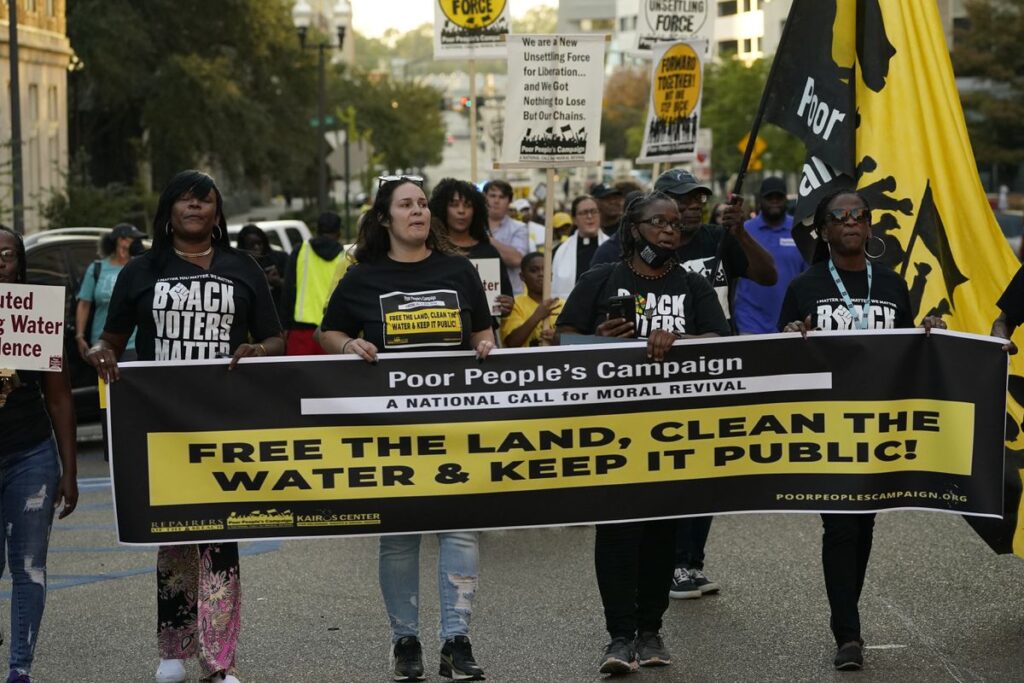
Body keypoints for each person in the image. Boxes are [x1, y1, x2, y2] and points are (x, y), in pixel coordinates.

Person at [86, 170, 284, 683]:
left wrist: (258, 349)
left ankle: (219, 663)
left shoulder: (244, 268)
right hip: (162, 427)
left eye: (206, 201)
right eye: (186, 200)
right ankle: (173, 650)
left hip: (226, 426)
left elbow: (275, 340)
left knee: (221, 537)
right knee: (173, 537)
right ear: (169, 209)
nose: (195, 207)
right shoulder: (142, 270)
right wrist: (99, 353)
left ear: (218, 214)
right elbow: (111, 338)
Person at [319, 177, 494, 682]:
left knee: (460, 528)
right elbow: (327, 332)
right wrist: (347, 346)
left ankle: (456, 641)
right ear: (384, 218)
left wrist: (485, 347)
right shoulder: (362, 277)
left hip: (454, 422)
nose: (418, 211)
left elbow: (482, 332)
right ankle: (406, 642)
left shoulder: (458, 270)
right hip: (389, 426)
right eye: (406, 205)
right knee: (399, 538)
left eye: (422, 204)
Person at [555, 191, 730, 674]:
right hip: (612, 433)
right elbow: (561, 339)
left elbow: (722, 338)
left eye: (676, 224)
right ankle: (618, 637)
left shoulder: (692, 285)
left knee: (659, 532)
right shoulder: (601, 278)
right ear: (635, 229)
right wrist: (598, 342)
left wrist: (682, 340)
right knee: (616, 531)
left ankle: (651, 631)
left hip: (673, 433)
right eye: (659, 223)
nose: (671, 230)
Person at [779, 189, 945, 672]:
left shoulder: (892, 285)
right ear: (825, 231)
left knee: (865, 522)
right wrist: (790, 336)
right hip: (829, 426)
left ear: (870, 228)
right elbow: (778, 354)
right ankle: (847, 633)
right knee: (840, 525)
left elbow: (910, 348)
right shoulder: (805, 286)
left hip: (880, 427)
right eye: (840, 216)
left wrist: (930, 333)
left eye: (859, 216)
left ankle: (846, 612)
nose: (851, 222)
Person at [0, 225, 78, 683]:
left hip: (30, 455)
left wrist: (69, 469)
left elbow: (60, 397)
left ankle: (19, 669)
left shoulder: (37, 313)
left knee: (28, 566)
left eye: (7, 255)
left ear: (19, 262)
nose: (0, 264)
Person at [429, 178, 513, 323]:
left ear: (476, 210)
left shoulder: (489, 252)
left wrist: (506, 305)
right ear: (443, 208)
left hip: (485, 341)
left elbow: (505, 298)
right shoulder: (431, 251)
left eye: (468, 205)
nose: (461, 211)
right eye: (454, 205)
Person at [734, 177, 807, 334]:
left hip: (790, 323)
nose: (774, 202)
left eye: (779, 197)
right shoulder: (743, 231)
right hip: (750, 322)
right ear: (760, 200)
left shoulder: (798, 231)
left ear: (786, 199)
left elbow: (807, 276)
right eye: (769, 197)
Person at [75, 223, 145, 360]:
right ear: (121, 240)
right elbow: (84, 304)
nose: (138, 243)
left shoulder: (139, 268)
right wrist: (79, 336)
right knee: (106, 382)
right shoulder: (97, 268)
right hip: (102, 344)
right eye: (133, 239)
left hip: (133, 345)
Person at [281, 212, 344, 354]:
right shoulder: (344, 256)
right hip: (332, 333)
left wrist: (284, 326)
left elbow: (288, 289)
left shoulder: (301, 250)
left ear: (317, 230)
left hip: (300, 331)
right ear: (339, 232)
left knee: (299, 375)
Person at [550, 195, 608, 298]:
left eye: (594, 211)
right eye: (584, 213)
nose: (590, 216)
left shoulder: (613, 247)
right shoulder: (559, 251)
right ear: (574, 220)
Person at [501, 251, 561, 347]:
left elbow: (576, 341)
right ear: (522, 276)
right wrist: (537, 316)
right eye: (534, 270)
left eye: (545, 270)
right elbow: (512, 343)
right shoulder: (515, 304)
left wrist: (559, 338)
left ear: (551, 275)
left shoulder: (563, 305)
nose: (541, 274)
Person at [236, 223, 289, 322]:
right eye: (251, 245)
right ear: (244, 246)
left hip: (280, 317)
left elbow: (296, 287)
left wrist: (278, 282)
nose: (256, 247)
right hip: (252, 319)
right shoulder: (238, 265)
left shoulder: (280, 258)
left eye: (259, 243)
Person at [483, 179, 529, 294]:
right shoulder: (471, 226)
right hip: (480, 294)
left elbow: (517, 259)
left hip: (511, 296)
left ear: (509, 201)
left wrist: (485, 238)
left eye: (502, 197)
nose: (496, 201)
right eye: (492, 196)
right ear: (484, 198)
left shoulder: (519, 228)